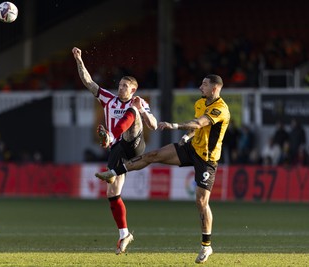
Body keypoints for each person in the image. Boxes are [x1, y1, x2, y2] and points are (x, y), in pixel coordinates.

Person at [96, 74, 230, 264]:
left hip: (207, 159)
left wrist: (173, 126)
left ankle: (206, 246)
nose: (200, 87)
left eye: (204, 84)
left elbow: (200, 123)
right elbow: (196, 126)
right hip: (191, 149)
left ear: (215, 88)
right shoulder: (201, 102)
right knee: (154, 155)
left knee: (201, 201)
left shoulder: (221, 109)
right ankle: (114, 172)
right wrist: (186, 137)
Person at [72, 47, 158, 255]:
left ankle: (110, 137)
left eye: (125, 86)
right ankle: (124, 234)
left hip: (135, 144)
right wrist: (79, 60)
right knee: (112, 192)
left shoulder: (139, 102)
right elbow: (89, 83)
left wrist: (142, 112)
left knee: (131, 111)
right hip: (118, 149)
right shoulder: (108, 100)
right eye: (120, 85)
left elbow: (154, 125)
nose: (120, 88)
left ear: (133, 91)